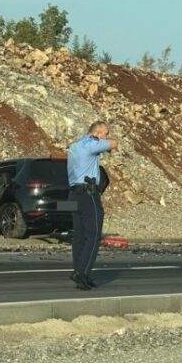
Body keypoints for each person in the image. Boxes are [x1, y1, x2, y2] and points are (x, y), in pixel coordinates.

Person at [66, 121, 118, 290]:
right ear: (97, 132)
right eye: (105, 133)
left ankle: (80, 272)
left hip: (73, 194)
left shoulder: (75, 146)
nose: (106, 136)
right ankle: (82, 272)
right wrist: (108, 143)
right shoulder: (91, 144)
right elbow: (113, 144)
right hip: (88, 195)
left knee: (79, 236)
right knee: (94, 234)